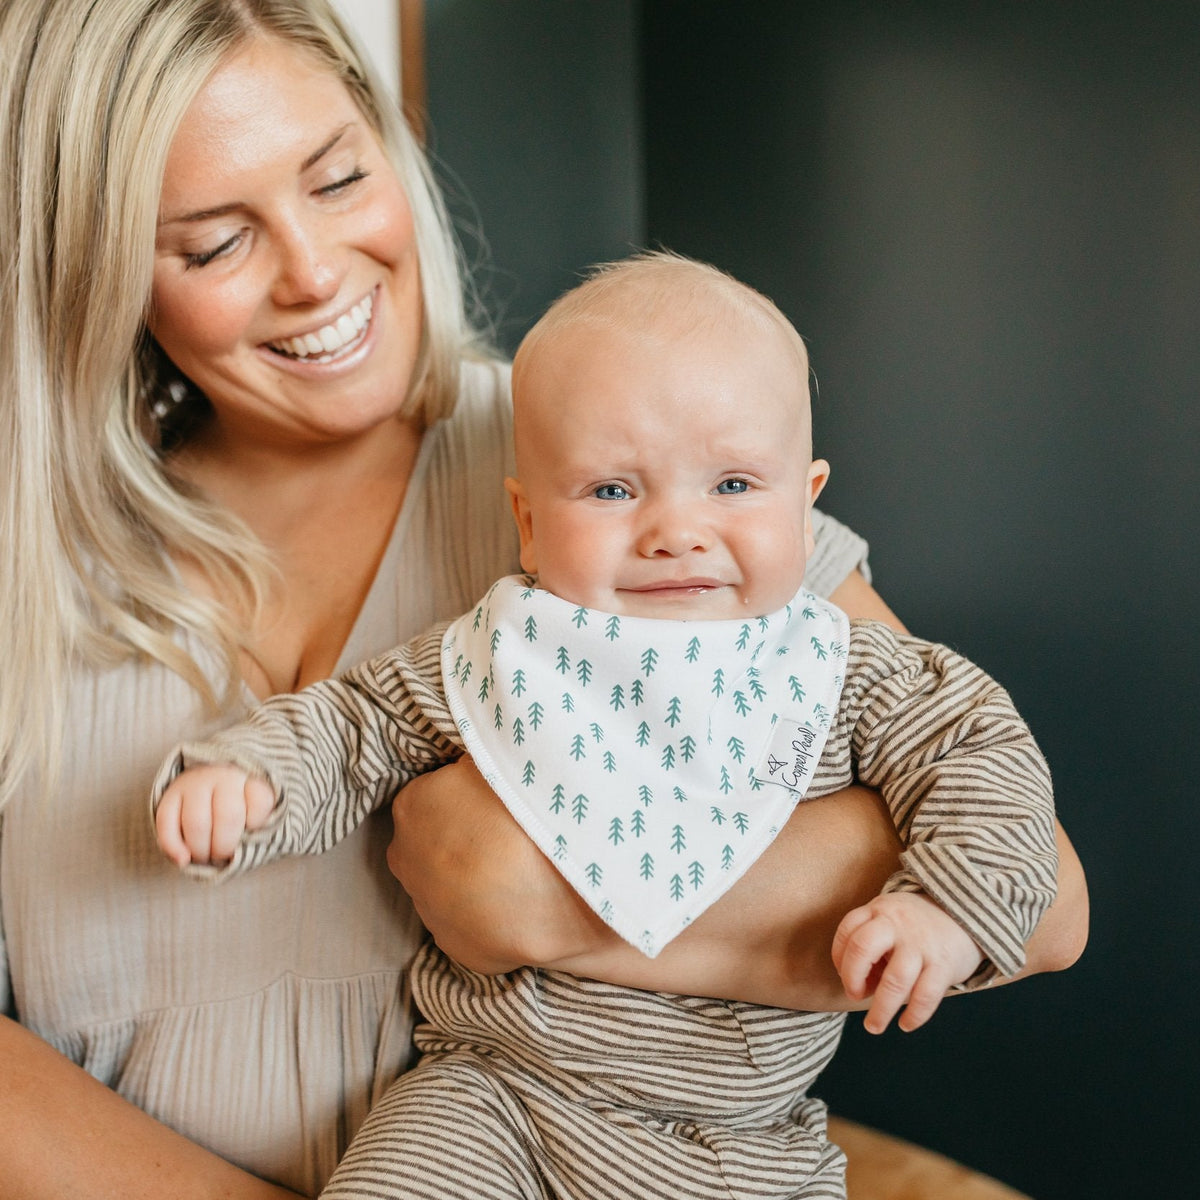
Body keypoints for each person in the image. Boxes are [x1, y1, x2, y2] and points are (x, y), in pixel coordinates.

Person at [0, 2, 1087, 1197]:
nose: (315, 274)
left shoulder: (643, 473)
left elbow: (1043, 909)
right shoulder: (30, 567)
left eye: (340, 178)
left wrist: (550, 894)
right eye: (213, 244)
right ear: (96, 272)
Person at [153, 252, 1059, 1200]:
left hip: (740, 1145)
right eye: (614, 490)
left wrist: (944, 909)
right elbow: (358, 723)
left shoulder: (849, 670)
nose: (676, 530)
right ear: (530, 522)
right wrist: (252, 779)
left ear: (808, 499)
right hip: (496, 1102)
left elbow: (982, 757)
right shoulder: (509, 650)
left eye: (735, 485)